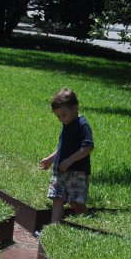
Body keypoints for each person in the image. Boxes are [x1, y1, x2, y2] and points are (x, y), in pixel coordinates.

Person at [40, 88, 94, 224]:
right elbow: (62, 147)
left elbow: (88, 147)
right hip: (60, 171)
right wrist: (50, 159)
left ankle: (86, 219)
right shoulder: (67, 125)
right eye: (58, 116)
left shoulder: (82, 126)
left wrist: (70, 160)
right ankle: (55, 225)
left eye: (63, 115)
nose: (60, 119)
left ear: (75, 108)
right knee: (57, 198)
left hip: (77, 172)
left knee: (75, 202)